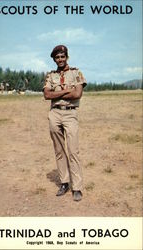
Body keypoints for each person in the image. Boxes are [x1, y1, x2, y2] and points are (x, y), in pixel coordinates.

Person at [43, 45, 87, 201]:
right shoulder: (50, 76)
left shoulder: (76, 73)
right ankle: (64, 182)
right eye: (57, 57)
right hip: (54, 113)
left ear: (67, 57)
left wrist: (57, 94)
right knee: (59, 150)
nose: (60, 59)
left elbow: (77, 94)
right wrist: (65, 91)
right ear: (54, 59)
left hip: (70, 113)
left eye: (62, 56)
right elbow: (47, 95)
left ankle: (77, 187)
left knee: (73, 150)